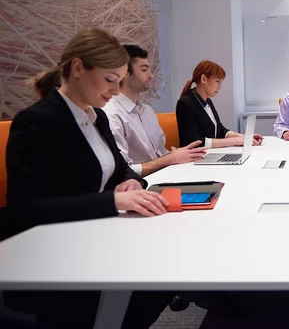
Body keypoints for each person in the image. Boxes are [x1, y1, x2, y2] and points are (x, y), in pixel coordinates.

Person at [4, 27, 172, 328]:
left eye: (120, 82)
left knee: (165, 274)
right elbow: (26, 210)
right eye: (110, 80)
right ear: (78, 68)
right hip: (54, 252)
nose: (116, 91)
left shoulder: (98, 117)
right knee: (154, 281)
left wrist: (131, 182)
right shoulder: (35, 123)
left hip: (96, 237)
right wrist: (114, 199)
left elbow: (121, 169)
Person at [103, 44, 207, 177]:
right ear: (124, 73)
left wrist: (178, 155)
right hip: (139, 186)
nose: (151, 75)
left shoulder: (147, 111)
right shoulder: (111, 114)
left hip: (163, 176)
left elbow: (161, 153)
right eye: (144, 70)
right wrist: (170, 159)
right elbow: (122, 172)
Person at [177, 60, 263, 147]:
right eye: (217, 81)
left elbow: (219, 129)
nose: (220, 87)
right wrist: (235, 141)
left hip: (209, 154)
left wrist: (243, 137)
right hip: (195, 158)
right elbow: (193, 141)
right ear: (204, 79)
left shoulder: (207, 101)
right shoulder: (185, 103)